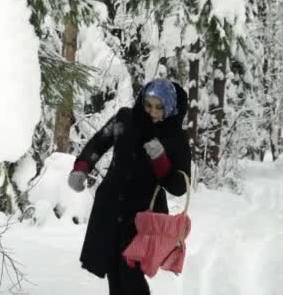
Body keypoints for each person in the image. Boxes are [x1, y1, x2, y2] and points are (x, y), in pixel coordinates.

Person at [68, 79, 191, 295]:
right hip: (111, 207)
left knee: (130, 271)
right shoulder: (126, 119)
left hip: (143, 217)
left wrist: (160, 159)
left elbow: (179, 186)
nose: (152, 112)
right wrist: (82, 167)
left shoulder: (175, 137)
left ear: (170, 107)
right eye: (148, 105)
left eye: (159, 107)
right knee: (114, 271)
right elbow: (99, 142)